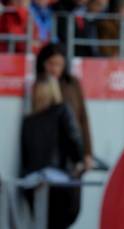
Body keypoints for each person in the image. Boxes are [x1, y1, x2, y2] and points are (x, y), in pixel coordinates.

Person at [21, 75, 84, 229]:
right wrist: (79, 161)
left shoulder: (28, 120)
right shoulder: (62, 111)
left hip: (33, 181)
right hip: (58, 180)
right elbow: (75, 139)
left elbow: (25, 155)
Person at [36, 43, 94, 171]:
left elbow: (83, 117)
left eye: (59, 64)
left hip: (74, 149)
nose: (55, 69)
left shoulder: (72, 83)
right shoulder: (39, 84)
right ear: (43, 63)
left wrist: (87, 152)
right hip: (50, 152)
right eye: (51, 63)